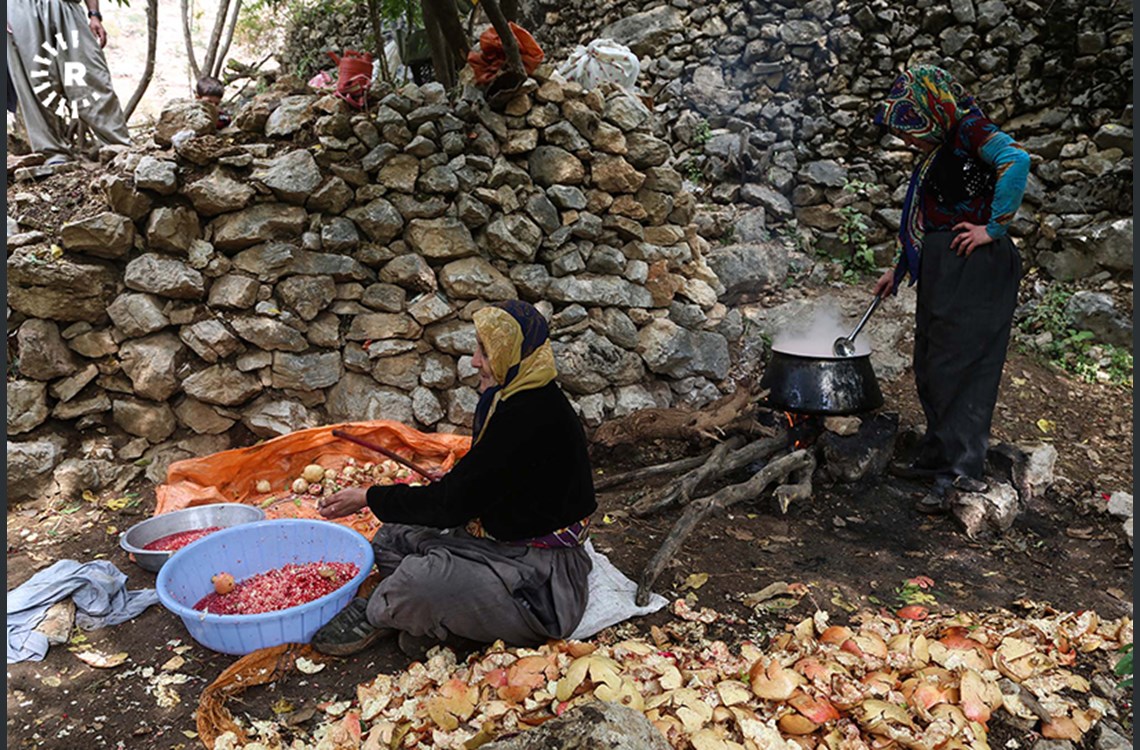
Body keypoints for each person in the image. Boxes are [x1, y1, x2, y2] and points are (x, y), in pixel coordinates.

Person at [313, 300, 597, 659]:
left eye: (485, 350)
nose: (475, 360)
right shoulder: (509, 398)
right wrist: (457, 476)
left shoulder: (532, 415)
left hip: (538, 579)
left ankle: (386, 614)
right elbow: (491, 476)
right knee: (389, 538)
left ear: (511, 353)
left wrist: (370, 496)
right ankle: (450, 625)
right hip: (494, 540)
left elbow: (449, 506)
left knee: (421, 580)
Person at [871, 65, 1031, 514]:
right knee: (931, 361)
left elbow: (1016, 160)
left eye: (909, 129)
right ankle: (937, 457)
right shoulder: (938, 149)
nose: (906, 140)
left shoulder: (970, 131)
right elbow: (928, 217)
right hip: (944, 264)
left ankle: (960, 472)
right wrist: (900, 268)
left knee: (963, 366)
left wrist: (993, 227)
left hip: (975, 265)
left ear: (931, 111)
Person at [6, 0, 131, 164]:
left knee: (90, 77)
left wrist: (94, 14)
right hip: (19, 9)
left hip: (66, 5)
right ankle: (52, 154)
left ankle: (119, 146)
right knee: (36, 84)